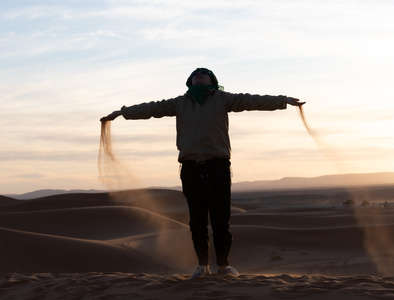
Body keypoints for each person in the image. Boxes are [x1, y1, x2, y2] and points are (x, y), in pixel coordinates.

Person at [100, 67, 305, 279]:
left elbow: (251, 101)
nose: (199, 75)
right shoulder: (180, 103)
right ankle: (202, 266)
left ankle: (224, 266)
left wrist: (284, 101)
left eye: (204, 73)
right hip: (190, 168)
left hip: (218, 166)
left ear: (212, 80)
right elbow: (151, 108)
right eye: (196, 74)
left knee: (220, 220)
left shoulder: (223, 99)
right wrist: (123, 113)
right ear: (190, 81)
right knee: (197, 221)